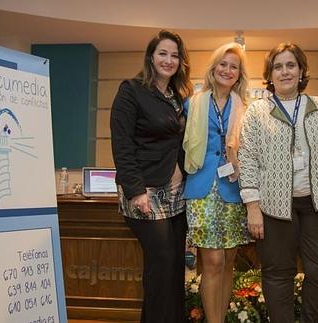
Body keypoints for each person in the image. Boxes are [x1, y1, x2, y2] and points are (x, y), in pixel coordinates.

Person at [238, 42, 318, 323]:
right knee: (278, 274)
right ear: (270, 74)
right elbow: (247, 159)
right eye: (278, 66)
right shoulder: (257, 111)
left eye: (290, 65)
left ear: (301, 69)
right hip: (274, 208)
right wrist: (253, 207)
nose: (285, 72)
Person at [110, 30, 192, 323]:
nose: (169, 60)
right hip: (144, 191)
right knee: (161, 264)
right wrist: (135, 190)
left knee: (173, 268)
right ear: (151, 56)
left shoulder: (178, 97)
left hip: (175, 195)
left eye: (174, 55)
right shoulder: (131, 90)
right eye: (163, 53)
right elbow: (122, 143)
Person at [183, 43, 250, 323]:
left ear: (239, 74)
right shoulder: (194, 103)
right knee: (212, 261)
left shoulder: (244, 108)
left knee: (229, 262)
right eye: (223, 64)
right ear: (213, 68)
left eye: (233, 66)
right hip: (201, 188)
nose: (227, 70)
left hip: (233, 189)